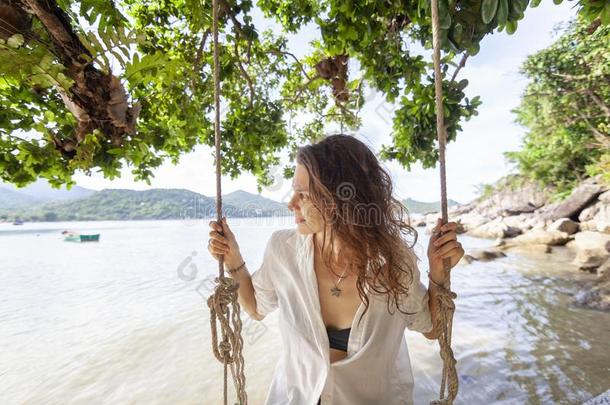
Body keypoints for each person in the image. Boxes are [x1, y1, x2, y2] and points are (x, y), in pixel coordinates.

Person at [207, 134, 464, 404]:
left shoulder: (394, 262)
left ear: (338, 201)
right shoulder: (283, 250)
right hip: (298, 397)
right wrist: (233, 258)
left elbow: (432, 328)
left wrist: (439, 272)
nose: (291, 203)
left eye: (303, 194)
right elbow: (256, 307)